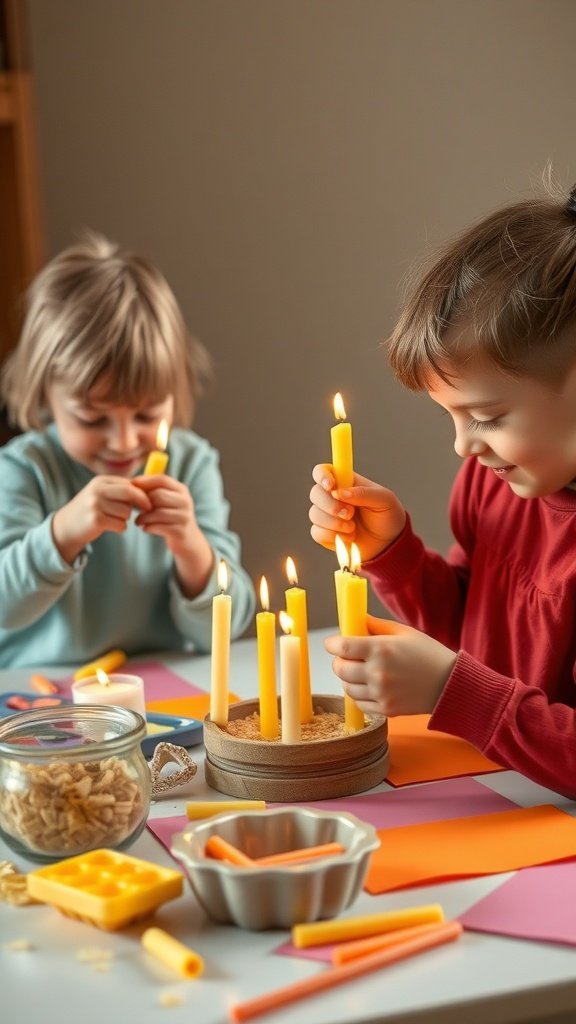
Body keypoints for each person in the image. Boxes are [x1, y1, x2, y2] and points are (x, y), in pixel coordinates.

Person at [310, 182, 576, 799]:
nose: (463, 446)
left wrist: (451, 691)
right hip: (494, 790)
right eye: (449, 417)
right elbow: (470, 628)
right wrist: (393, 554)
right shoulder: (491, 486)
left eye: (486, 416)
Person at [0, 231, 255, 667]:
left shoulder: (191, 464)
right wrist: (63, 532)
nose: (123, 442)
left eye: (146, 414)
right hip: (42, 699)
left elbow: (227, 627)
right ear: (46, 398)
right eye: (92, 419)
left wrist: (190, 546)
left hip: (165, 688)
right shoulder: (25, 470)